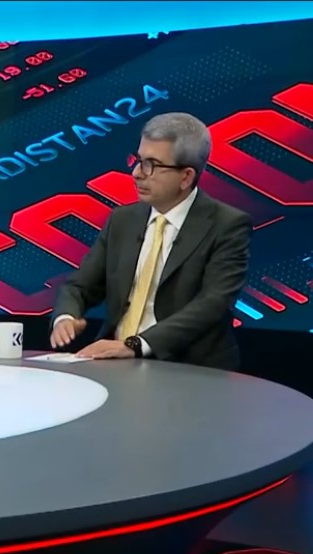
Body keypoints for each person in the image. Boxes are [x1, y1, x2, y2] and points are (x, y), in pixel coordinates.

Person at [50, 112, 252, 371]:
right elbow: (80, 286)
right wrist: (66, 316)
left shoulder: (227, 225)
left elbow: (213, 304)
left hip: (188, 368)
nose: (136, 173)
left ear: (186, 177)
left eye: (152, 165)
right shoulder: (122, 220)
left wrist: (135, 345)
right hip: (114, 362)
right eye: (138, 160)